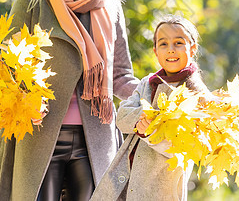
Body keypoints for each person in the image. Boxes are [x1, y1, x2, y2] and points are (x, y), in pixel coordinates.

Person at [0, 0, 139, 201]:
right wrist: (23, 98)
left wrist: (153, 97)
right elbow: (4, 67)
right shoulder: (30, 2)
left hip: (95, 139)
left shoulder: (110, 8)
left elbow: (120, 76)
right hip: (38, 136)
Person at [90, 15, 211, 201]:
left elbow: (184, 151)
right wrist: (149, 117)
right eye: (163, 44)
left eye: (178, 43)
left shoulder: (197, 96)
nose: (170, 50)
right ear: (155, 51)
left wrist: (152, 133)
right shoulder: (147, 82)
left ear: (192, 48)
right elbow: (122, 117)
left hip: (159, 190)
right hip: (121, 183)